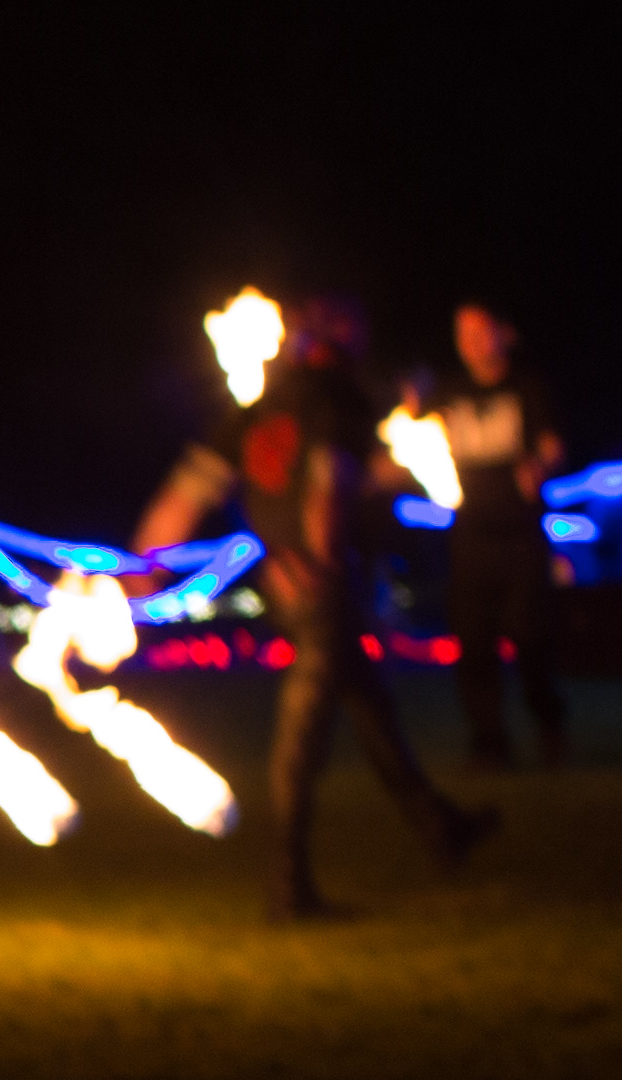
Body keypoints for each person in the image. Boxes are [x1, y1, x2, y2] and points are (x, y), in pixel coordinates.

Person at [152, 296, 494, 921]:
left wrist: (140, 568)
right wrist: (323, 558)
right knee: (302, 738)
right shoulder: (339, 398)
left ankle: (442, 827)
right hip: (318, 583)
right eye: (355, 329)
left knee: (373, 709)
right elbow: (327, 482)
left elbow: (186, 495)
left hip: (287, 580)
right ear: (338, 341)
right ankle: (288, 888)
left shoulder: (258, 408)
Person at [431, 300, 569, 767]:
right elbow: (418, 437)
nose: (469, 344)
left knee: (530, 636)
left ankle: (549, 722)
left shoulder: (527, 387)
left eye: (479, 332)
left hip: (520, 533)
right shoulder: (449, 392)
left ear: (503, 334)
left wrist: (541, 464)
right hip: (471, 534)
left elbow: (552, 446)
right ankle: (489, 742)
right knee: (473, 642)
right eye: (462, 335)